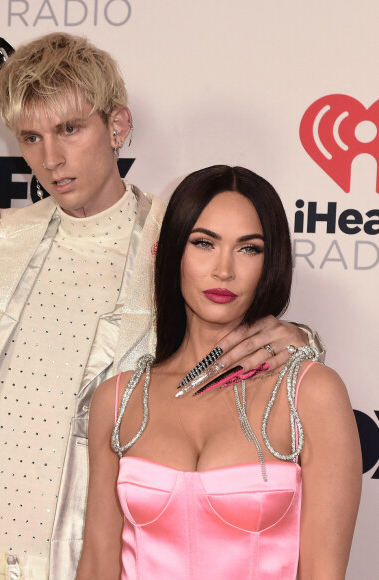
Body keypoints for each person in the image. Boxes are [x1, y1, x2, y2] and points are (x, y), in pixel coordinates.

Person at [0, 29, 319, 580]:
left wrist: (300, 340)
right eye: (30, 137)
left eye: (69, 129)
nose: (51, 158)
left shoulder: (178, 255)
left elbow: (248, 347)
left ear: (117, 125)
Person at [77, 165, 361, 580]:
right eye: (204, 243)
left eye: (249, 248)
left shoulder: (311, 393)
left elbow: (324, 572)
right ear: (173, 250)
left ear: (271, 262)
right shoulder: (117, 400)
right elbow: (97, 565)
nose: (223, 269)